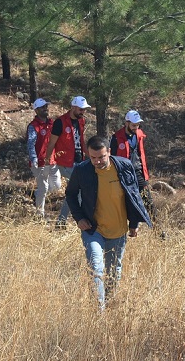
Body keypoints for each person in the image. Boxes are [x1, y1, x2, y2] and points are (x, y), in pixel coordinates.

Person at [65, 135, 152, 310]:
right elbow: (71, 194)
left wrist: (133, 224)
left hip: (118, 229)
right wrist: (79, 217)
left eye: (101, 157)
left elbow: (133, 196)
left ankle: (109, 303)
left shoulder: (124, 166)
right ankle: (99, 311)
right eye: (93, 158)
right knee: (96, 267)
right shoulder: (82, 170)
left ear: (109, 152)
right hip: (93, 229)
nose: (97, 161)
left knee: (113, 271)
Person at [45, 95, 90, 227]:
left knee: (74, 193)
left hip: (78, 161)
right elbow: (51, 143)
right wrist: (48, 160)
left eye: (84, 109)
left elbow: (81, 142)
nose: (83, 112)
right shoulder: (60, 122)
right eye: (81, 109)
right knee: (81, 189)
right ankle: (75, 219)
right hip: (65, 163)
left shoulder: (81, 121)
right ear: (73, 107)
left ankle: (61, 221)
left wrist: (90, 155)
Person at [110, 109, 154, 220]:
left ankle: (158, 229)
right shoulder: (116, 138)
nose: (136, 127)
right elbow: (112, 159)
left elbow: (140, 154)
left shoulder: (139, 134)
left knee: (148, 201)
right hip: (124, 174)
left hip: (138, 172)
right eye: (134, 125)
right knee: (124, 203)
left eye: (138, 125)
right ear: (126, 123)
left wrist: (145, 174)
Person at [27, 98, 54, 216]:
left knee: (56, 185)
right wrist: (34, 159)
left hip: (52, 160)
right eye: (43, 107)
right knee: (44, 188)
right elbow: (30, 143)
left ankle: (36, 194)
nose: (46, 109)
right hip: (39, 162)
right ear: (36, 110)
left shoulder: (52, 123)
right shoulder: (33, 126)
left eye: (46, 106)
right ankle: (39, 214)